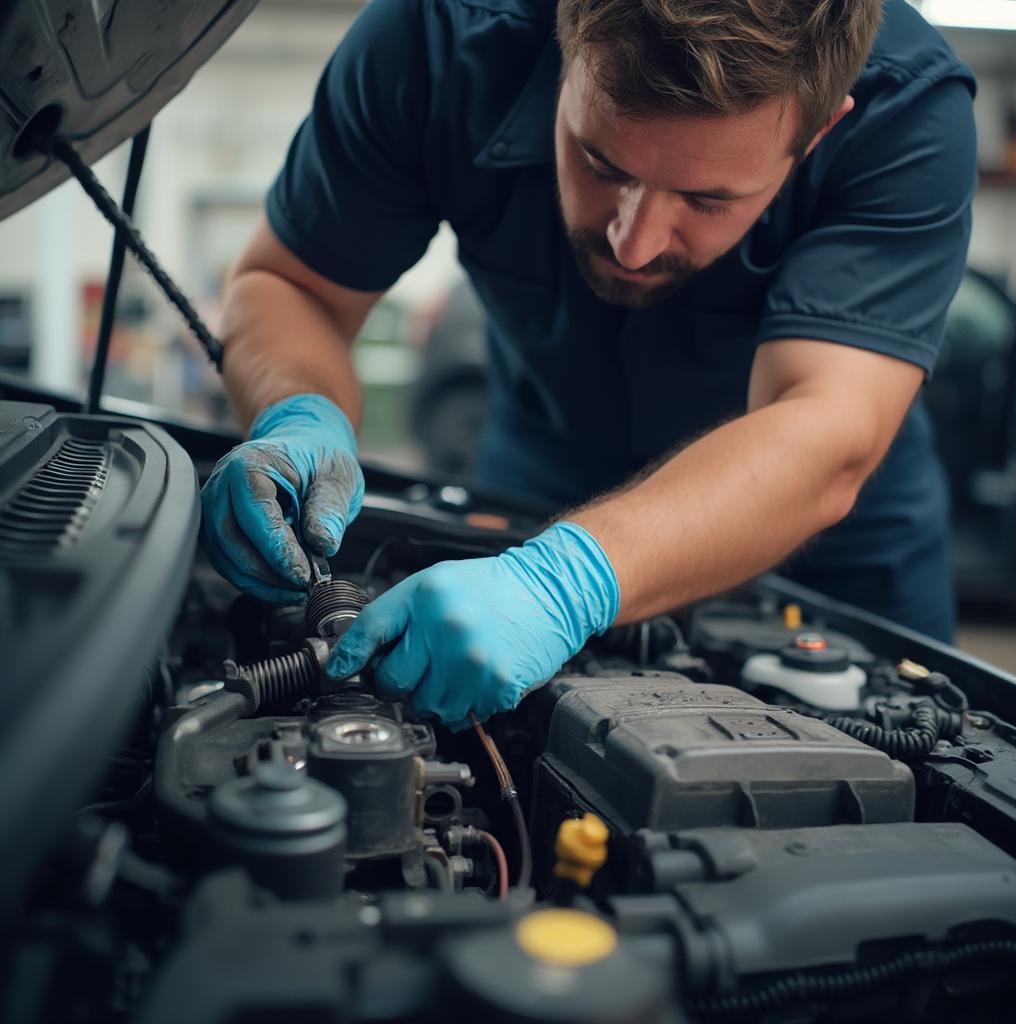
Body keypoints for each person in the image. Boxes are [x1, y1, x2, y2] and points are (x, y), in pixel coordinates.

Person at [201, 0, 976, 726]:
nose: (632, 244)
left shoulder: (905, 108)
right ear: (560, 45)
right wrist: (299, 411)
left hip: (833, 560)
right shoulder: (434, 39)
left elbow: (823, 425)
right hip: (533, 503)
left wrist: (565, 581)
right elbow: (288, 284)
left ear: (817, 134)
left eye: (707, 200)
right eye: (601, 163)